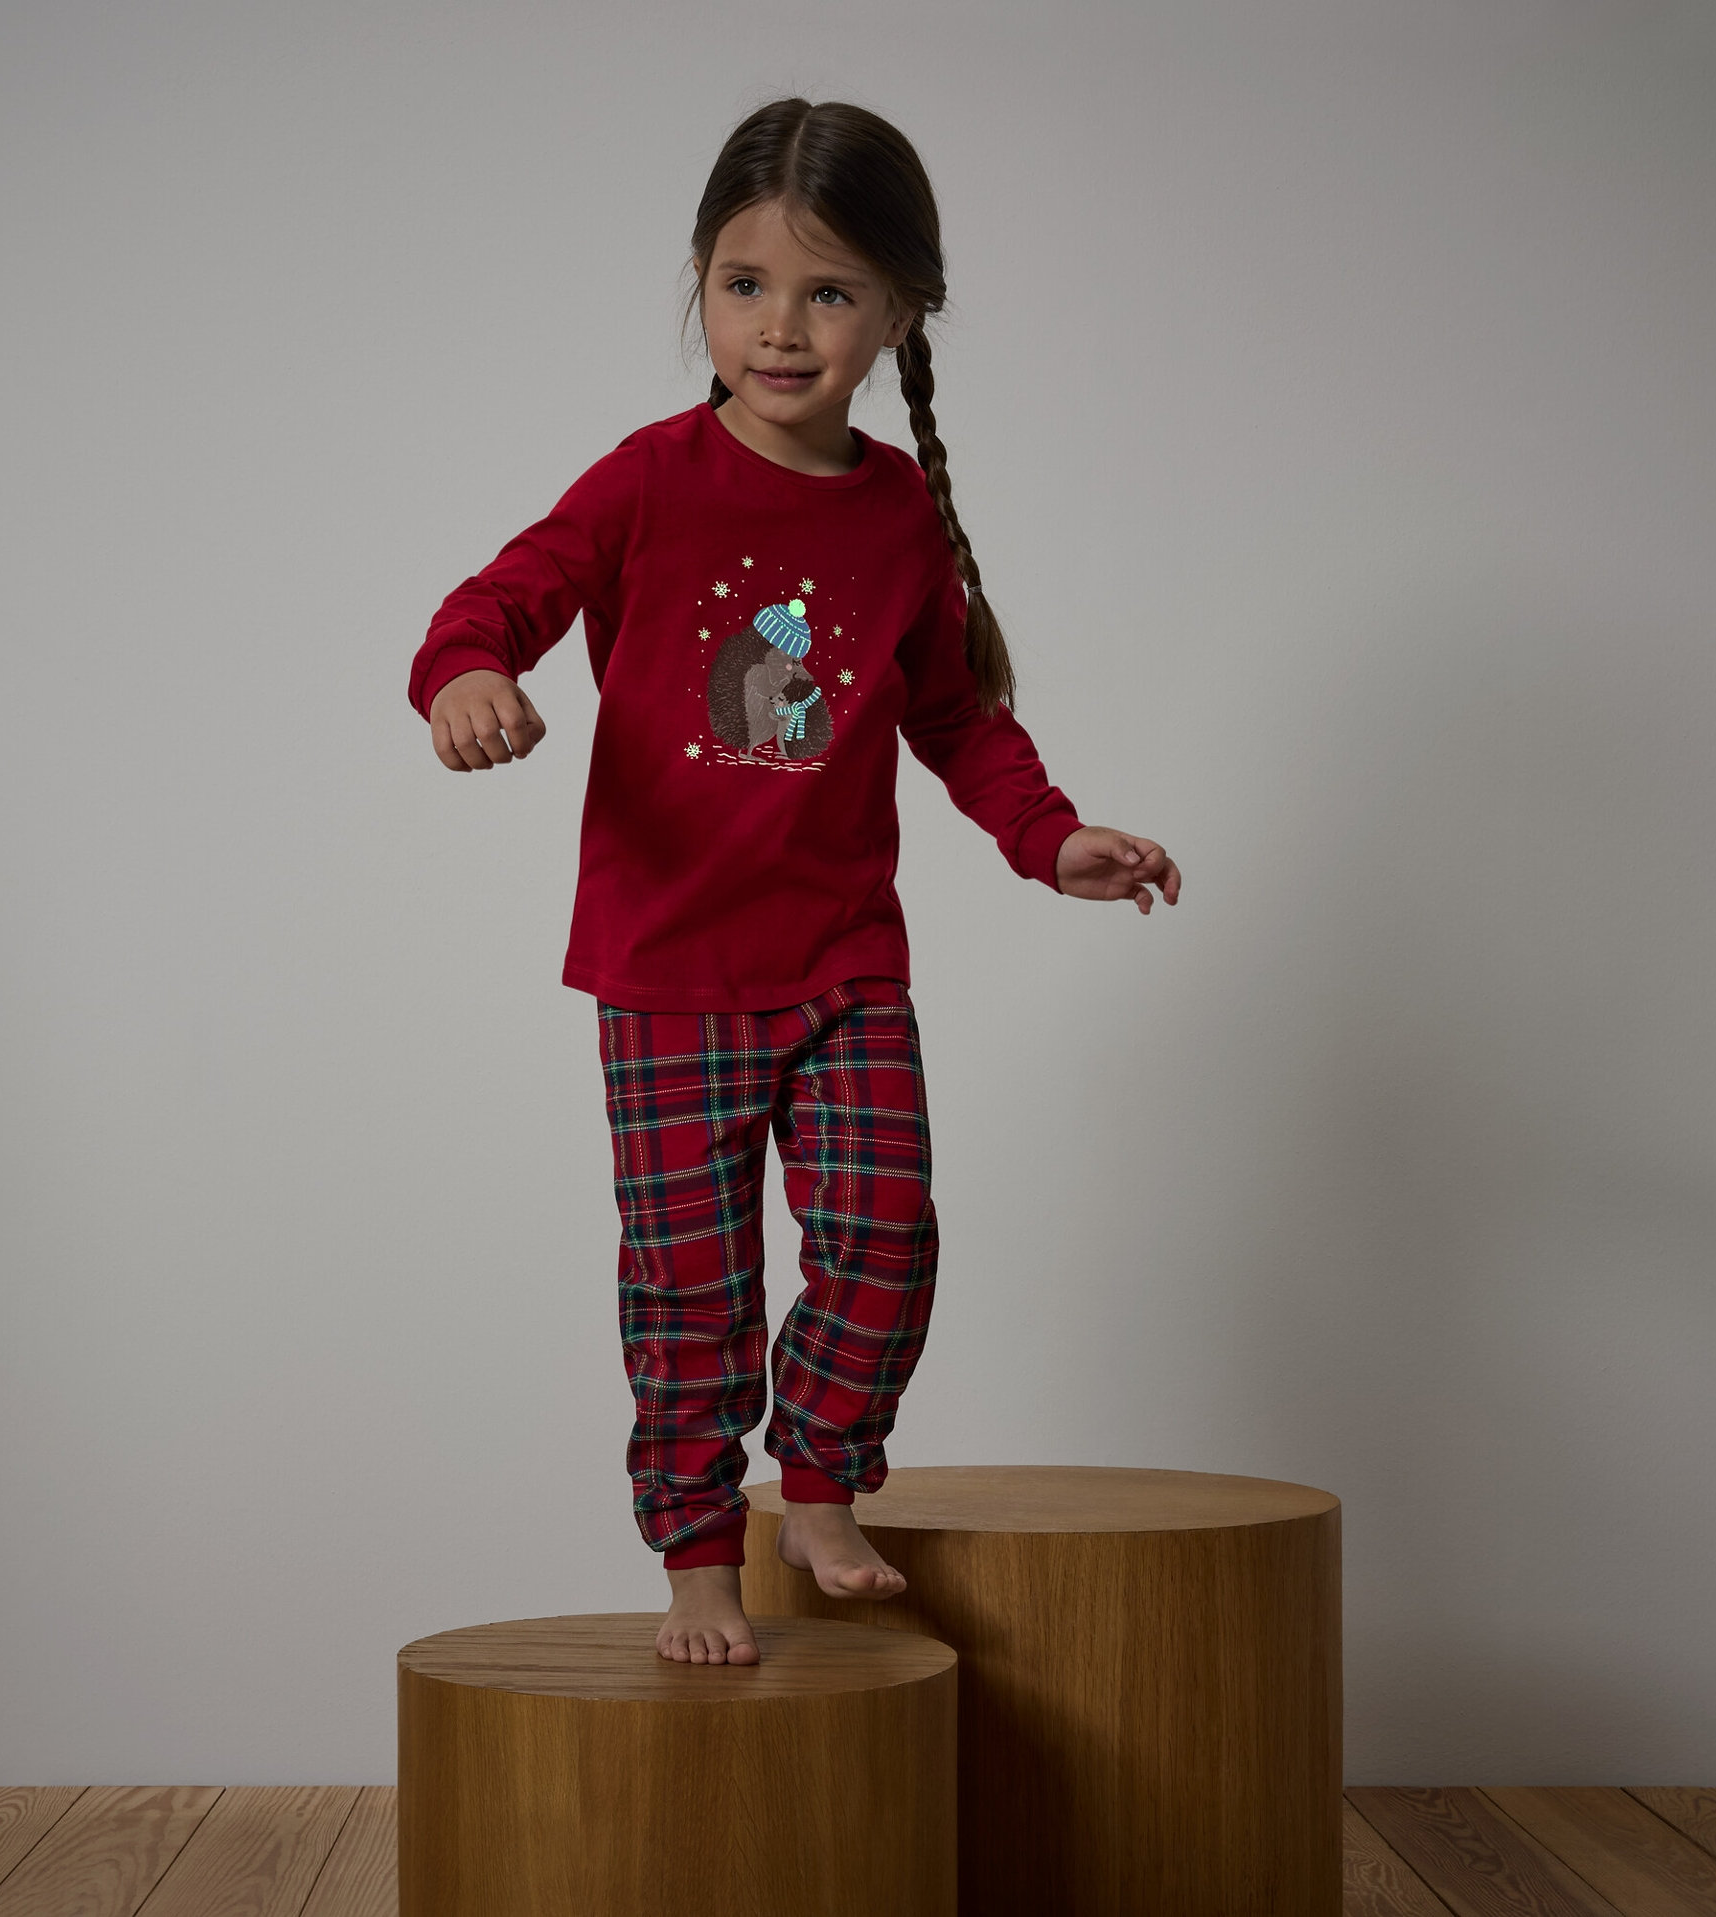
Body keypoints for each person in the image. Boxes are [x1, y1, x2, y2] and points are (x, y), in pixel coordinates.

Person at [408, 98, 1180, 1666]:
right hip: (666, 970)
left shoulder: (897, 517)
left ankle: (821, 1478)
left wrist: (1052, 839)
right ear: (698, 283)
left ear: (900, 312)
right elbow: (496, 602)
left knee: (885, 1229)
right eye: (744, 283)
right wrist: (469, 678)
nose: (780, 326)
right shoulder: (644, 482)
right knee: (691, 1285)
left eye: (828, 292)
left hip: (841, 961)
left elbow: (958, 720)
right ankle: (699, 1556)